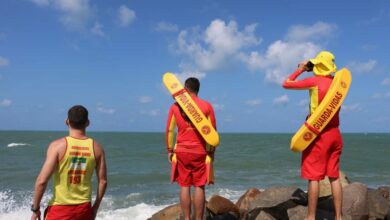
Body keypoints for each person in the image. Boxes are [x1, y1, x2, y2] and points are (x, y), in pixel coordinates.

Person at [282, 51, 343, 220]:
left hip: (318, 135)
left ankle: (311, 217)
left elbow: (286, 84)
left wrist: (301, 69)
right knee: (334, 177)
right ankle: (339, 217)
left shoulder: (315, 81)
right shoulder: (338, 84)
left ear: (318, 65)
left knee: (313, 177)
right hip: (335, 134)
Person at [31, 105, 107, 220]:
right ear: (87, 122)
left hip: (60, 209)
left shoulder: (57, 146)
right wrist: (95, 208)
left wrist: (35, 209)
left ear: (67, 122)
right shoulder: (97, 148)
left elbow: (42, 182)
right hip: (84, 209)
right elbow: (103, 182)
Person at [165, 77, 217, 220]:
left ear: (185, 89)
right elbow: (212, 132)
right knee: (199, 186)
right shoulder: (207, 106)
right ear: (198, 89)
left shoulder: (175, 107)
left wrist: (169, 150)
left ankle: (187, 218)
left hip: (181, 151)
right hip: (200, 151)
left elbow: (170, 130)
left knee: (184, 185)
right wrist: (211, 153)